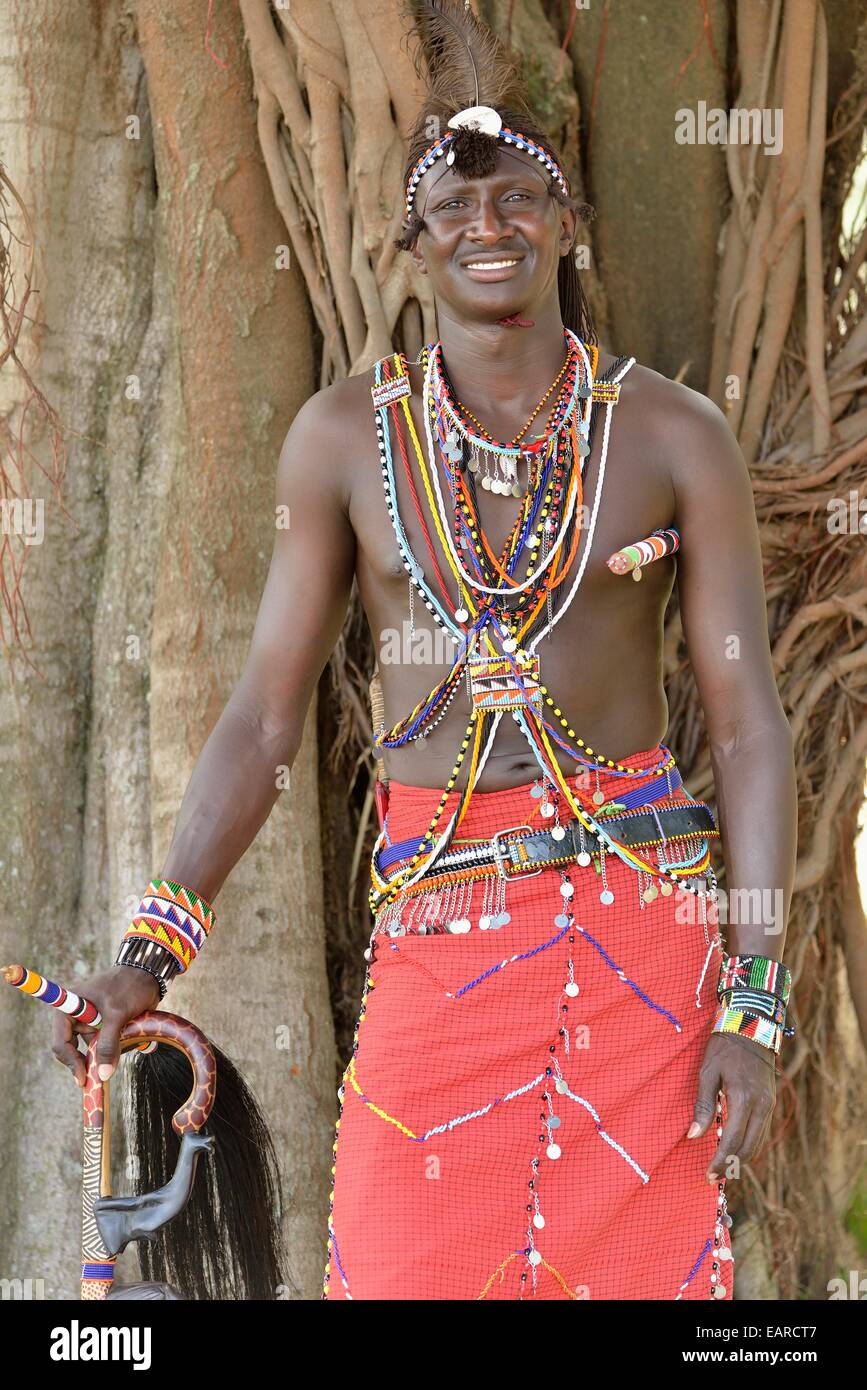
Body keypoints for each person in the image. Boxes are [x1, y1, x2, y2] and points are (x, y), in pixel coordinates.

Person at [51, 0, 797, 1300]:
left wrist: (756, 1001)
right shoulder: (343, 442)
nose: (487, 225)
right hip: (441, 929)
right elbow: (263, 719)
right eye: (452, 207)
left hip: (644, 940)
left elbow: (744, 724)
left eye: (518, 198)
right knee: (397, 1261)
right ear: (410, 247)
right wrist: (151, 946)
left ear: (565, 224)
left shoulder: (678, 438)